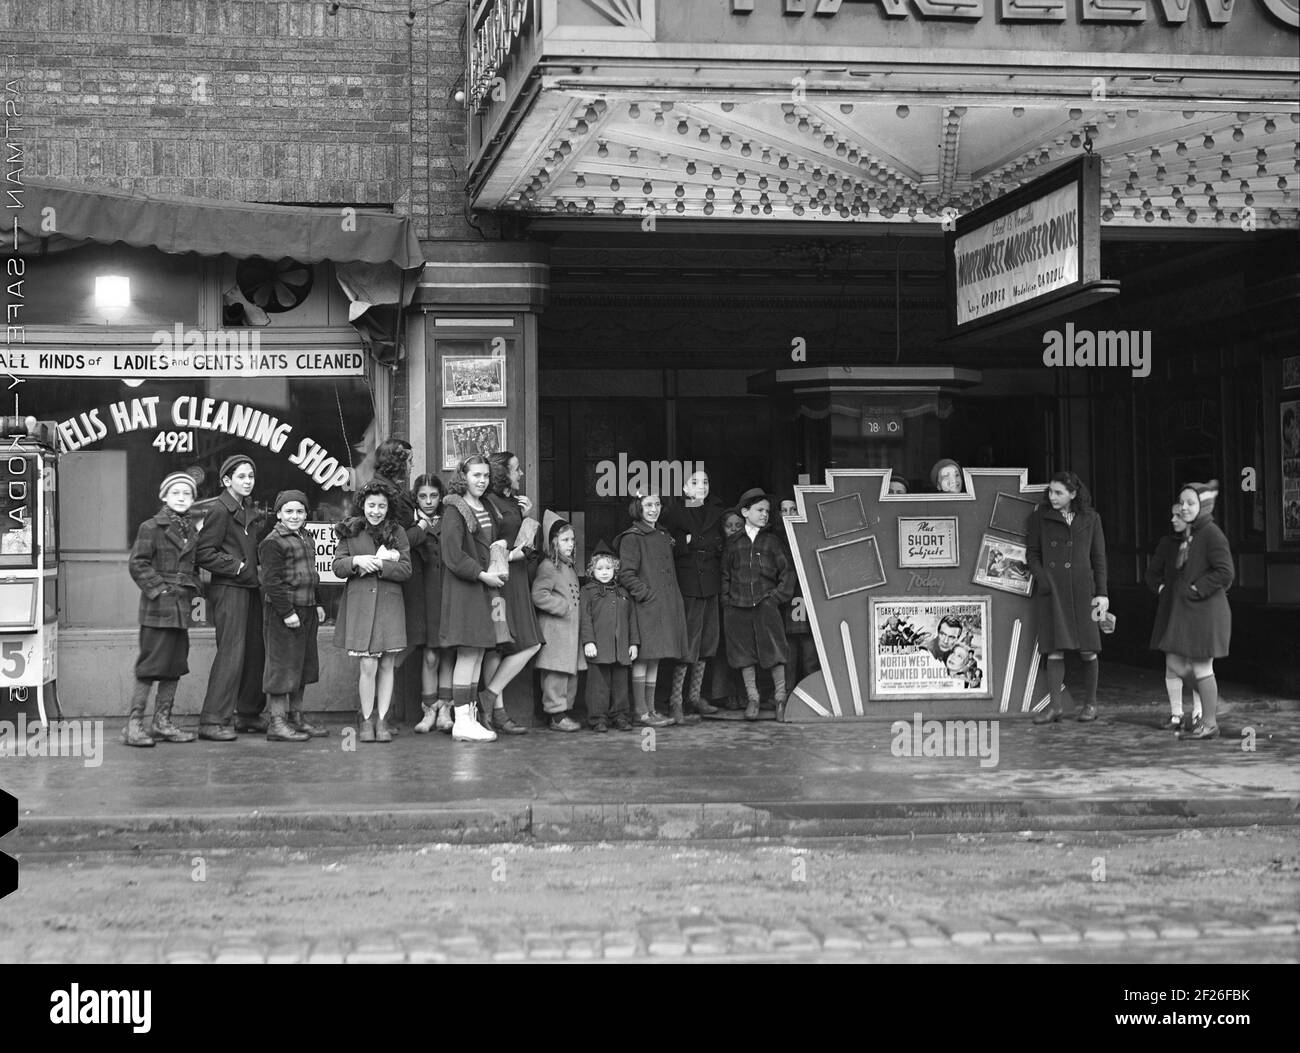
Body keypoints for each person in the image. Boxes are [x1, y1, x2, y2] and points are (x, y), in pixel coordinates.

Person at [124, 470, 202, 747]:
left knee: (174, 665)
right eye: (175, 493)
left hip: (181, 609)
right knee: (149, 666)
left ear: (193, 499)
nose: (181, 498)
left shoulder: (191, 530)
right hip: (158, 609)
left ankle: (162, 722)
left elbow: (193, 567)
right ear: (164, 496)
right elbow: (138, 564)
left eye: (187, 494)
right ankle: (134, 726)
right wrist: (161, 590)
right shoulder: (150, 527)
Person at [1026, 470, 1109, 724]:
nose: (1052, 496)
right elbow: (1032, 554)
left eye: (1059, 492)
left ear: (1073, 494)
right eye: (1050, 491)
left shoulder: (1091, 518)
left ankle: (1091, 704)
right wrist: (1044, 580)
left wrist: (1102, 594)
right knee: (1054, 649)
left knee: (1089, 649)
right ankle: (1055, 707)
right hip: (1054, 591)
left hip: (1084, 592)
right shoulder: (1040, 517)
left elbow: (1099, 558)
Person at [333, 482, 413, 743]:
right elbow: (337, 566)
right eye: (371, 505)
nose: (376, 511)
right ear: (362, 505)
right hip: (360, 606)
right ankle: (366, 720)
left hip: (389, 604)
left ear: (388, 508)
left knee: (388, 663)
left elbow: (406, 569)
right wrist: (356, 561)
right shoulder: (350, 529)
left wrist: (380, 565)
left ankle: (382, 719)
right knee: (368, 665)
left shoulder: (398, 532)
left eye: (381, 506)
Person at [439, 455, 510, 743]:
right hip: (466, 590)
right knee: (468, 652)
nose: (482, 480)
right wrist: (482, 574)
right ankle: (462, 721)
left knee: (479, 651)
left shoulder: (487, 505)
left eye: (485, 476)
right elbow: (454, 557)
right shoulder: (455, 509)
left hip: (484, 589)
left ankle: (468, 717)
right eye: (476, 475)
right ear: (463, 477)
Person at [196, 455, 267, 741]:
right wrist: (236, 566)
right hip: (230, 589)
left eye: (250, 476)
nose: (248, 481)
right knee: (231, 654)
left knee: (254, 652)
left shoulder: (246, 508)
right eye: (241, 477)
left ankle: (248, 713)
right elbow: (204, 553)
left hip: (249, 588)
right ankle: (212, 720)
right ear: (227, 480)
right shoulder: (220, 510)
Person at [1159, 481, 1234, 741]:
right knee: (1177, 662)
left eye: (1191, 503)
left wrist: (1195, 588)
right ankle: (1213, 705)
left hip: (1206, 612)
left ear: (1203, 506)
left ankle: (1209, 722)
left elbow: (1226, 572)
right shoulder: (1193, 533)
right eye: (1182, 502)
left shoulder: (1212, 533)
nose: (1184, 507)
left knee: (1202, 668)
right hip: (1192, 611)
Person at [480, 451, 543, 735]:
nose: (520, 474)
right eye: (516, 470)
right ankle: (498, 712)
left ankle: (489, 696)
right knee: (497, 645)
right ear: (503, 472)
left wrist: (527, 516)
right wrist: (514, 555)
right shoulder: (488, 502)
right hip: (500, 581)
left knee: (530, 643)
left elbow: (522, 542)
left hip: (516, 580)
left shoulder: (513, 502)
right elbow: (488, 547)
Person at [257, 489, 325, 742]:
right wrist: (287, 613)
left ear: (306, 514)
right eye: (289, 511)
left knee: (303, 666)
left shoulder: (307, 537)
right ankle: (277, 722)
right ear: (279, 514)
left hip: (307, 610)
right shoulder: (272, 542)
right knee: (281, 667)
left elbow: (312, 574)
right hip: (283, 614)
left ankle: (297, 718)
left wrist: (317, 602)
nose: (294, 516)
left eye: (299, 511)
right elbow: (271, 583)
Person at [721, 488, 795, 720]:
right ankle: (753, 699)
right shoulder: (734, 543)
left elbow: (787, 573)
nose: (764, 514)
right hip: (738, 606)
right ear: (745, 512)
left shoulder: (772, 542)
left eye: (767, 511)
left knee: (774, 650)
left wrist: (775, 598)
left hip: (766, 605)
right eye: (759, 510)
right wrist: (727, 601)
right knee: (744, 654)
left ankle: (780, 699)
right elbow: (724, 574)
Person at [616, 492, 688, 728]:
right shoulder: (632, 537)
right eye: (648, 505)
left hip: (664, 605)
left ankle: (651, 709)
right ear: (638, 507)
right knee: (643, 657)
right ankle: (640, 711)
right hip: (646, 606)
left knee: (655, 657)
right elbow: (626, 573)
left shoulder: (663, 534)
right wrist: (646, 594)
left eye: (657, 504)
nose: (653, 509)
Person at [660, 469, 725, 724]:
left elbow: (717, 542)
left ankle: (694, 697)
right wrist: (690, 542)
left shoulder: (716, 512)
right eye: (695, 482)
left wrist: (693, 541)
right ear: (685, 489)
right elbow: (669, 544)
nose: (702, 486)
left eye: (705, 481)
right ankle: (676, 700)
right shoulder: (675, 512)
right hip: (687, 585)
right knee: (687, 644)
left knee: (707, 642)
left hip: (710, 583)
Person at [372, 438, 422, 735]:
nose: (411, 464)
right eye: (407, 459)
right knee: (393, 645)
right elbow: (393, 537)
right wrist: (424, 528)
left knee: (401, 642)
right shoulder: (386, 491)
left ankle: (382, 710)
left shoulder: (390, 487)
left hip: (401, 573)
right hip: (397, 573)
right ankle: (380, 710)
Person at [1145, 501, 1204, 731]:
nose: (1173, 520)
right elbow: (1151, 574)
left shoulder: (1203, 542)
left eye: (1178, 516)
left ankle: (1199, 714)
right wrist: (1162, 590)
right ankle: (1176, 715)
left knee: (1197, 663)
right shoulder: (1167, 543)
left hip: (1196, 609)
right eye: (1172, 515)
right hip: (1172, 610)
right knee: (1173, 663)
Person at [530, 513, 585, 732]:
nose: (570, 544)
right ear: (553, 542)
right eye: (565, 540)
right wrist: (562, 607)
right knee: (555, 674)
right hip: (556, 632)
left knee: (568, 674)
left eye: (572, 540)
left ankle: (563, 712)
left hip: (569, 633)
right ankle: (556, 715)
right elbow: (539, 594)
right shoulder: (548, 566)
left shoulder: (567, 566)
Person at [411, 474, 455, 734]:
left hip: (448, 592)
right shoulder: (412, 522)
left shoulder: (450, 518)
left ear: (441, 496)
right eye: (422, 496)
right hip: (423, 594)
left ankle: (445, 710)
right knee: (429, 655)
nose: (428, 501)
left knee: (448, 652)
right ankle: (428, 709)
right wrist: (420, 527)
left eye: (433, 496)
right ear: (415, 497)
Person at [579, 542, 639, 733]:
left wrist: (633, 643)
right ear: (592, 570)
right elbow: (585, 618)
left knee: (621, 686)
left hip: (620, 647)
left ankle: (620, 716)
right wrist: (588, 641)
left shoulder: (623, 592)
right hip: (599, 647)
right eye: (599, 568)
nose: (604, 572)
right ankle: (598, 718)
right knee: (598, 686)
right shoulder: (588, 591)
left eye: (608, 568)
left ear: (615, 569)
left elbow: (632, 619)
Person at [776, 495, 819, 694]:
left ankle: (810, 694)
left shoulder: (809, 534)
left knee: (810, 650)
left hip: (806, 596)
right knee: (788, 651)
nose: (788, 515)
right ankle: (787, 693)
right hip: (786, 598)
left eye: (793, 510)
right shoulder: (775, 539)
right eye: (784, 510)